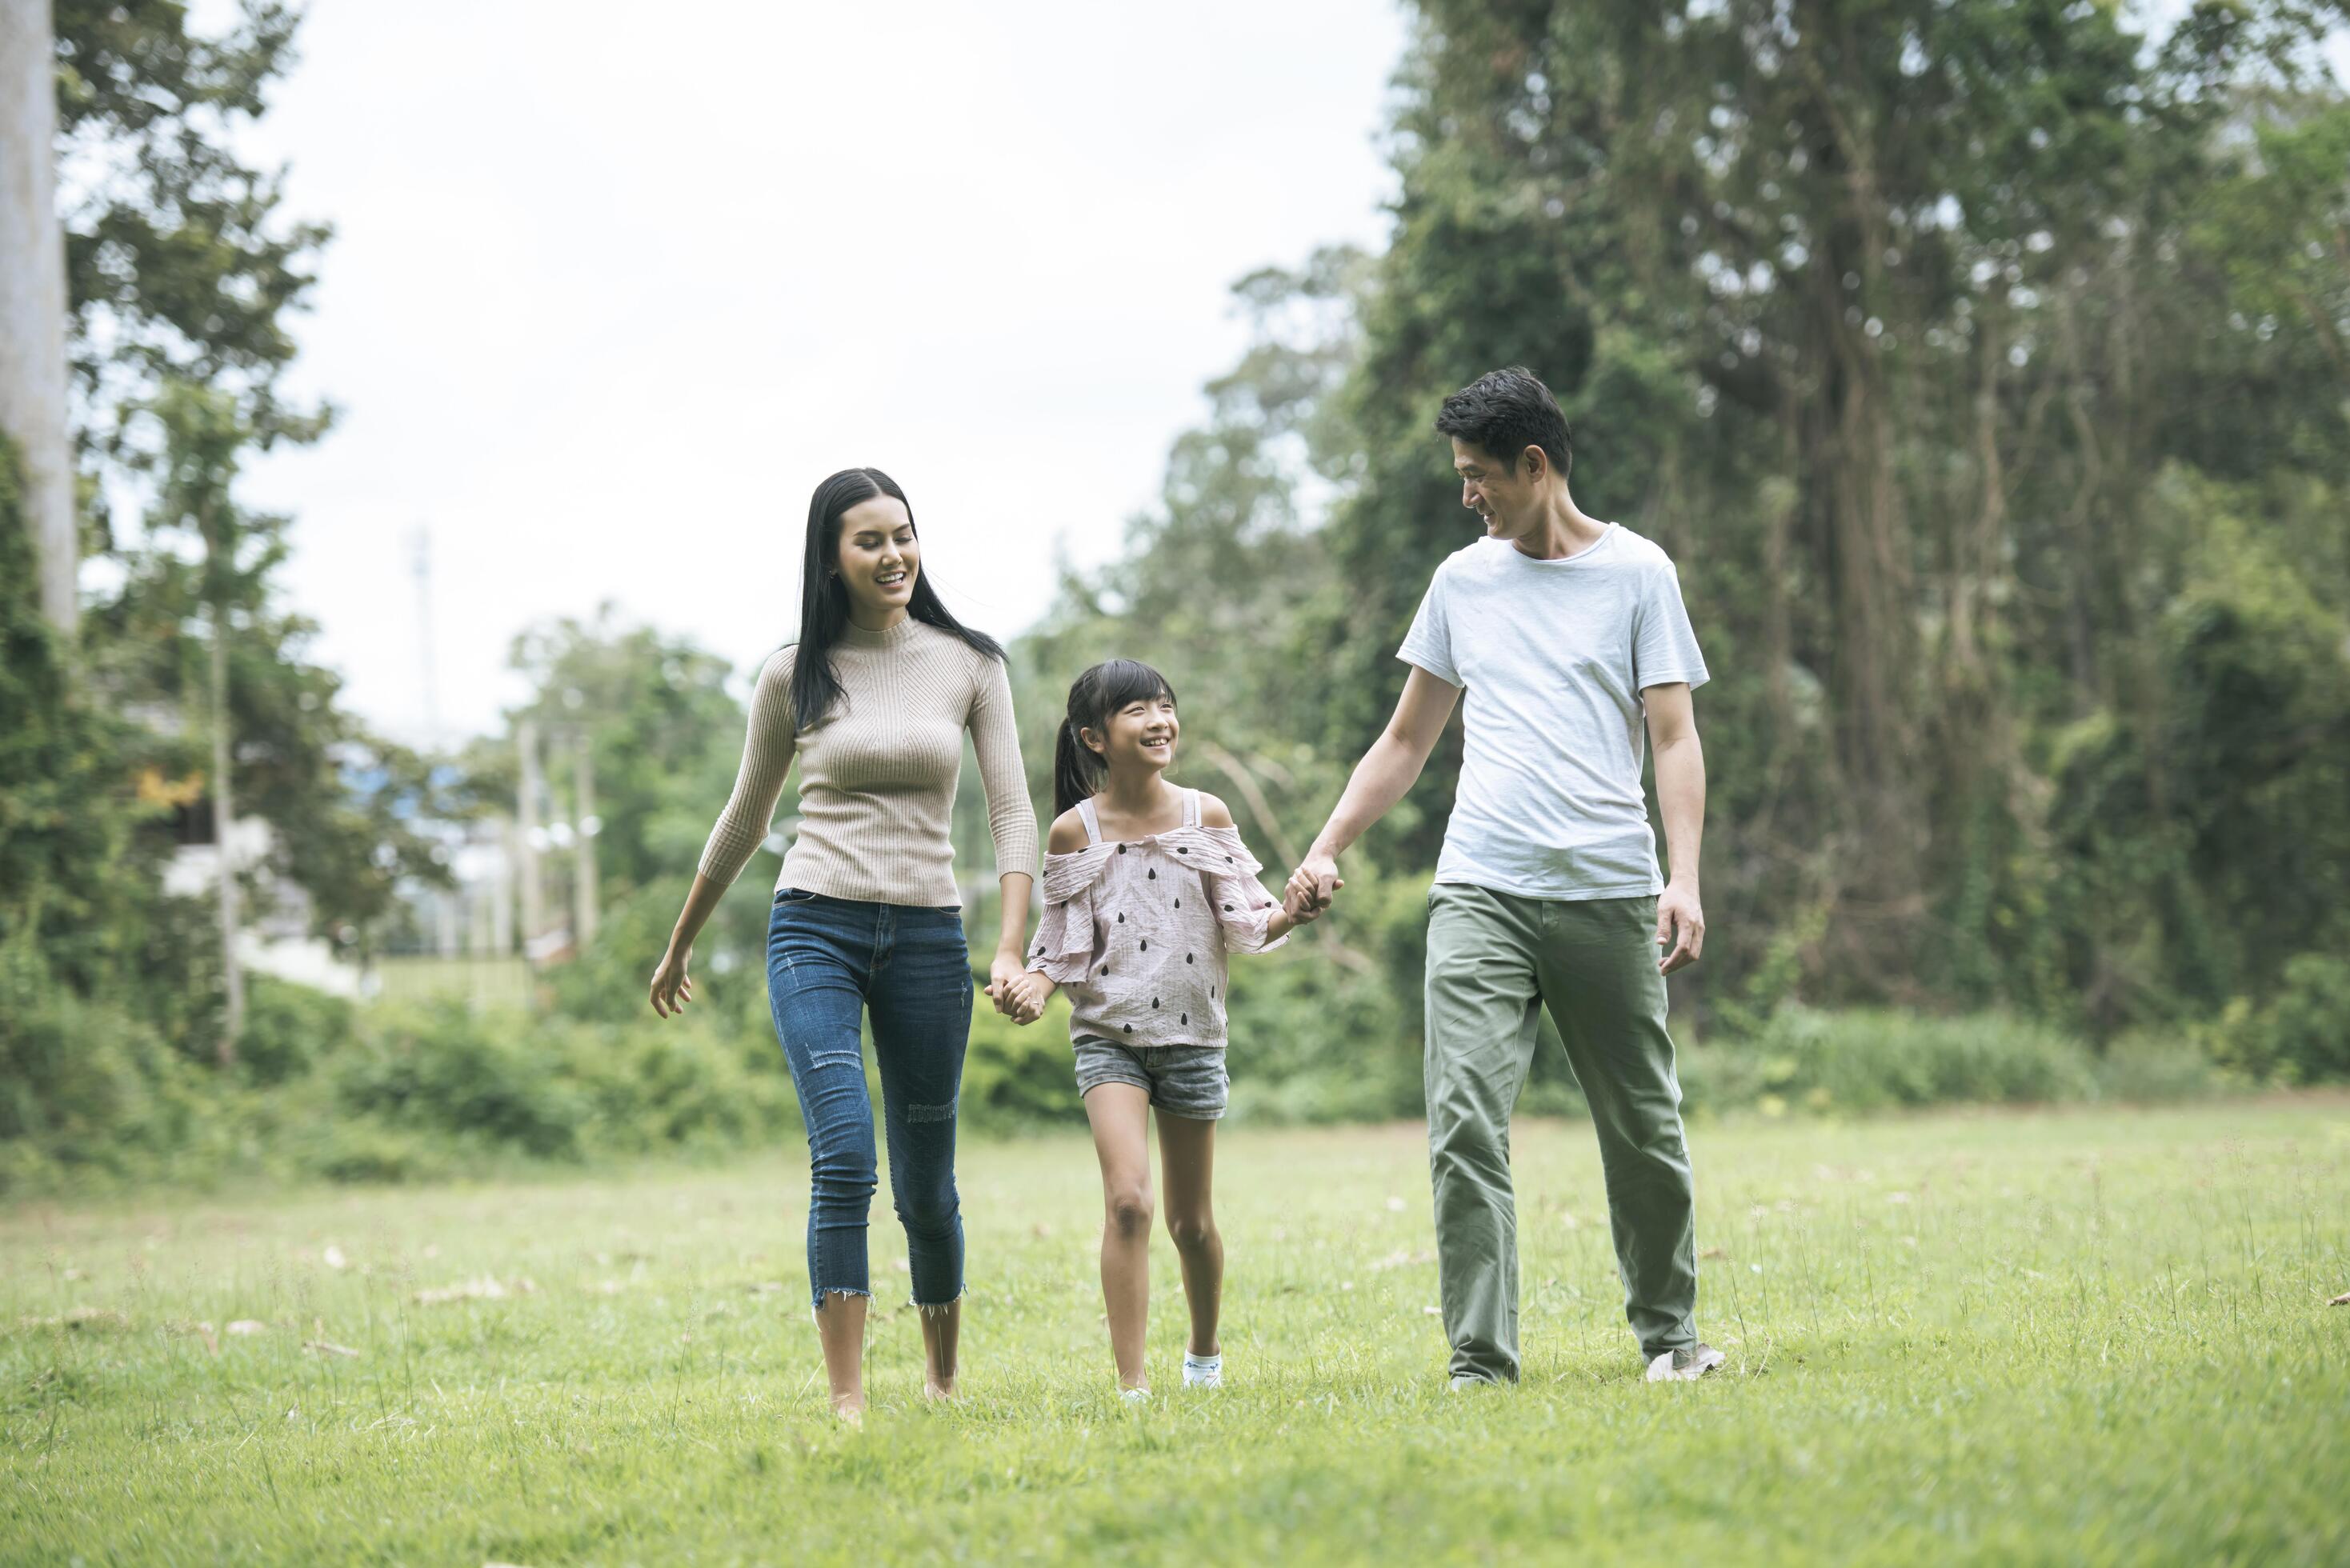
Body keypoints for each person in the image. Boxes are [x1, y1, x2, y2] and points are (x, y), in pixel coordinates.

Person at [1285, 367, 1726, 1386]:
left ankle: (1671, 1338)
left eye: (1480, 475)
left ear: (1536, 465)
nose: (1468, 495)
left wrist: (1684, 875)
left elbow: (1674, 736)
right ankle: (1480, 1357)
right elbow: (1405, 739)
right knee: (1465, 1120)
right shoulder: (1462, 580)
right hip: (1480, 886)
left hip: (1609, 888)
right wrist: (1327, 843)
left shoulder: (1638, 573)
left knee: (1643, 1123)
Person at [647, 466, 1039, 1419]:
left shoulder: (970, 663)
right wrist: (679, 943)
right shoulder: (792, 674)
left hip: (927, 935)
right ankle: (848, 1398)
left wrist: (1009, 944)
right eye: (870, 540)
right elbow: (745, 817)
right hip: (812, 925)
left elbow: (1012, 808)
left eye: (903, 535)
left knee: (926, 1180)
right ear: (832, 558)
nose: (894, 554)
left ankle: (942, 1379)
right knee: (844, 1155)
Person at [997, 659, 1315, 1400]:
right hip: (1107, 1036)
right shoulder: (1075, 830)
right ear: (1093, 737)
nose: (1158, 720)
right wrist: (1032, 987)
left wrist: (1292, 911)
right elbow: (1064, 947)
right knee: (1128, 1202)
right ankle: (1132, 1385)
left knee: (1191, 1221)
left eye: (1165, 705)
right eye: (1136, 709)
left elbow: (1243, 923)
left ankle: (1203, 1354)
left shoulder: (1206, 815)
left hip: (1193, 1036)